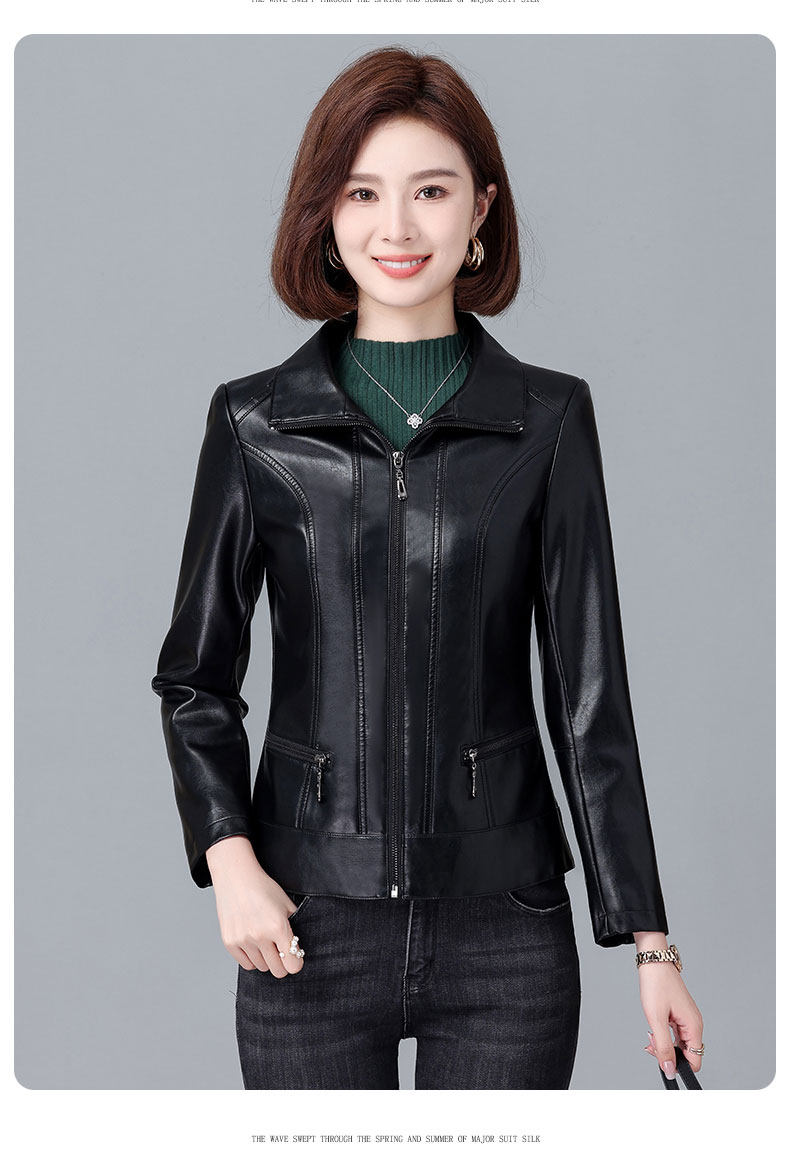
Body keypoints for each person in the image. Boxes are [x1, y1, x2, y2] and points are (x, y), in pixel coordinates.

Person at [151, 46, 704, 1090]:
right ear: (324, 212)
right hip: (305, 919)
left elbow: (588, 698)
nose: (396, 228)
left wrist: (649, 942)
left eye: (431, 191)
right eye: (362, 192)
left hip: (506, 928)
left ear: (481, 208)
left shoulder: (547, 420)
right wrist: (230, 860)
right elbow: (194, 678)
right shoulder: (255, 423)